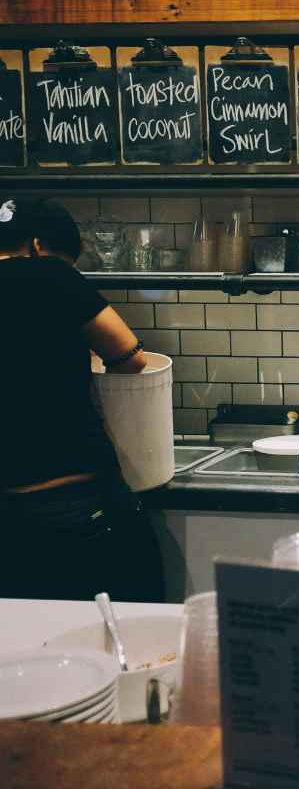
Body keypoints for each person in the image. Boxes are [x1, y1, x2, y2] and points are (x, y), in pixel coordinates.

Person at [0, 196, 165, 602]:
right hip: (74, 503)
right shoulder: (52, 275)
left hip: (9, 513)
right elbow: (131, 357)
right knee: (127, 629)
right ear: (38, 246)